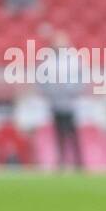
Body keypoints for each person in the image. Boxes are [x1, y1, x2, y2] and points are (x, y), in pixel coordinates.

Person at [42, 31, 84, 169]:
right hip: (56, 103)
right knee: (58, 134)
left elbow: (80, 81)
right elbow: (43, 81)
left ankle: (79, 162)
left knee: (73, 134)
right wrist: (54, 92)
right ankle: (61, 162)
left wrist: (68, 90)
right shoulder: (48, 61)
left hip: (70, 103)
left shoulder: (73, 60)